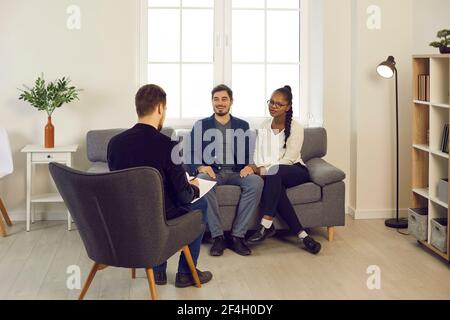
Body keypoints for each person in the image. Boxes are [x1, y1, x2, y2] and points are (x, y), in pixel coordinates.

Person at [107, 84, 213, 287]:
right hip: (159, 216)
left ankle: (158, 272)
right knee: (201, 204)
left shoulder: (114, 143)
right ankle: (185, 273)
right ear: (159, 108)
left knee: (158, 204)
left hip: (128, 217)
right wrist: (195, 187)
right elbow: (183, 196)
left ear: (138, 108)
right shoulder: (167, 146)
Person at [189, 84, 264, 257]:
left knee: (257, 182)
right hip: (213, 171)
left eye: (224, 99)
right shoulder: (201, 125)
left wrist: (249, 166)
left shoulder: (243, 125)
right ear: (212, 102)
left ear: (231, 102)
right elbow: (191, 151)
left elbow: (248, 152)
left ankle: (238, 236)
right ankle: (218, 237)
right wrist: (201, 166)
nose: (220, 103)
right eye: (216, 99)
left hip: (238, 172)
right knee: (202, 182)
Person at [246, 85, 322, 255]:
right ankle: (303, 236)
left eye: (278, 104)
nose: (273, 106)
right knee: (276, 187)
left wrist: (263, 170)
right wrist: (262, 169)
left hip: (294, 170)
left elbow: (289, 159)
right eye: (271, 102)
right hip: (272, 173)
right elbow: (258, 154)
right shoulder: (264, 125)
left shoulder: (296, 127)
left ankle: (265, 224)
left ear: (287, 107)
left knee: (275, 171)